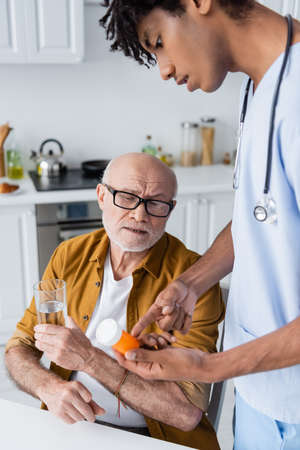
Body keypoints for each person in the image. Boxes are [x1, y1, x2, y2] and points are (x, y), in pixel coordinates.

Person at [100, 1, 300, 449]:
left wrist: (208, 368)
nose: (164, 70)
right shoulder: (260, 85)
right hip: (261, 396)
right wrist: (189, 284)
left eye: (158, 43)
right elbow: (262, 214)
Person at [5, 152, 224, 450]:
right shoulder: (69, 255)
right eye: (127, 197)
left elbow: (186, 414)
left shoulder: (192, 283)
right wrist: (49, 388)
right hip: (74, 429)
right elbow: (18, 347)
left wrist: (89, 358)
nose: (139, 215)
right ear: (101, 196)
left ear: (170, 210)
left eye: (155, 203)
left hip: (154, 438)